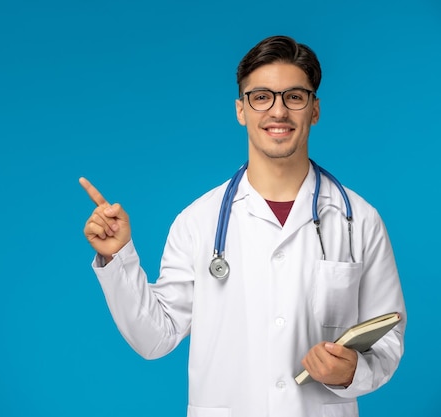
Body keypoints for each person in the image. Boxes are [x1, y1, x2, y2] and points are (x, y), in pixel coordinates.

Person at [79, 35, 406, 417]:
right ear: (241, 109)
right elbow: (156, 338)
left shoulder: (359, 220)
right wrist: (119, 256)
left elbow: (387, 338)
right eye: (261, 96)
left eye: (294, 97)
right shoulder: (198, 221)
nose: (278, 112)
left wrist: (353, 371)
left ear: (314, 110)